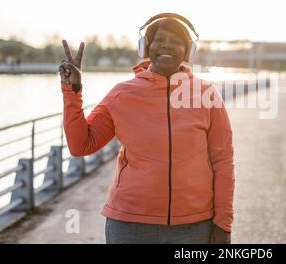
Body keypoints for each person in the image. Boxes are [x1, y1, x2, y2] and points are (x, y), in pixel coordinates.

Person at [58, 14, 235, 244]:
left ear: (188, 51)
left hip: (194, 226)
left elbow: (223, 161)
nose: (168, 45)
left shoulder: (206, 94)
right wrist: (72, 91)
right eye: (159, 39)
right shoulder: (123, 94)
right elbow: (81, 145)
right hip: (130, 226)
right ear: (145, 47)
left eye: (177, 40)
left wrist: (224, 223)